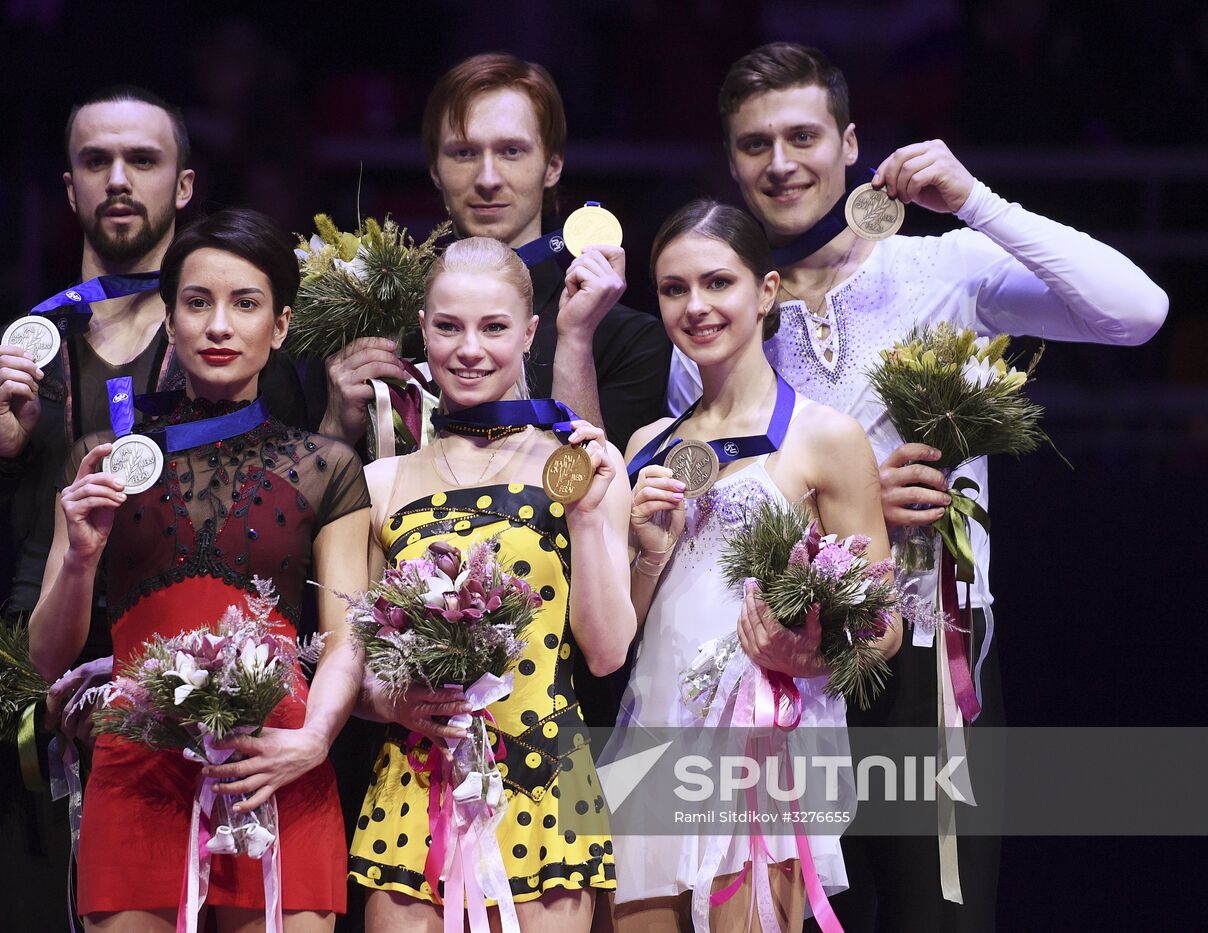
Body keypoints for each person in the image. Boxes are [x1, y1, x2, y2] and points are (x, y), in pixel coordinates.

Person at [666, 42, 1169, 932]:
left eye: (802, 136)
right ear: (731, 160)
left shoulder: (942, 270)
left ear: (850, 141)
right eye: (754, 145)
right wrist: (849, 508)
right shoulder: (715, 319)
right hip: (784, 673)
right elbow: (708, 533)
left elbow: (1136, 312)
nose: (781, 164)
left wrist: (977, 201)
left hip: (934, 667)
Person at [29, 208, 368, 932]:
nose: (219, 325)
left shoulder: (328, 466)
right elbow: (46, 655)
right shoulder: (104, 457)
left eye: (245, 304)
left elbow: (345, 637)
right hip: (139, 772)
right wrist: (82, 555)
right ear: (170, 318)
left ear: (279, 326)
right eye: (197, 302)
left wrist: (313, 741)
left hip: (275, 766)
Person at [0, 84, 195, 933]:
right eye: (94, 160)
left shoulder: (229, 356)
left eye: (142, 160)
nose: (118, 178)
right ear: (67, 188)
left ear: (183, 186)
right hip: (36, 710)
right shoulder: (2, 357)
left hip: (190, 700)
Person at [613, 200, 900, 933]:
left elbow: (884, 625)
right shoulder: (647, 444)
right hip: (652, 727)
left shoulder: (826, 438)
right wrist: (646, 551)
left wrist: (809, 652)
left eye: (718, 283)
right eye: (674, 289)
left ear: (766, 291)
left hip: (760, 743)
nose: (696, 305)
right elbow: (619, 629)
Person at [347, 237, 636, 932]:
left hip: (549, 781)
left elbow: (605, 653)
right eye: (448, 326)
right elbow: (351, 673)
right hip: (417, 785)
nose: (469, 348)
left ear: (531, 333)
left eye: (494, 327)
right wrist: (395, 703)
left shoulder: (583, 463)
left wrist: (592, 519)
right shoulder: (381, 482)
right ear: (423, 329)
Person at [318, 53, 672, 453]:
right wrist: (334, 428)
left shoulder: (629, 339)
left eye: (511, 151)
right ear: (435, 169)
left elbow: (606, 504)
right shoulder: (383, 326)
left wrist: (576, 341)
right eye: (464, 153)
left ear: (553, 165)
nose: (487, 179)